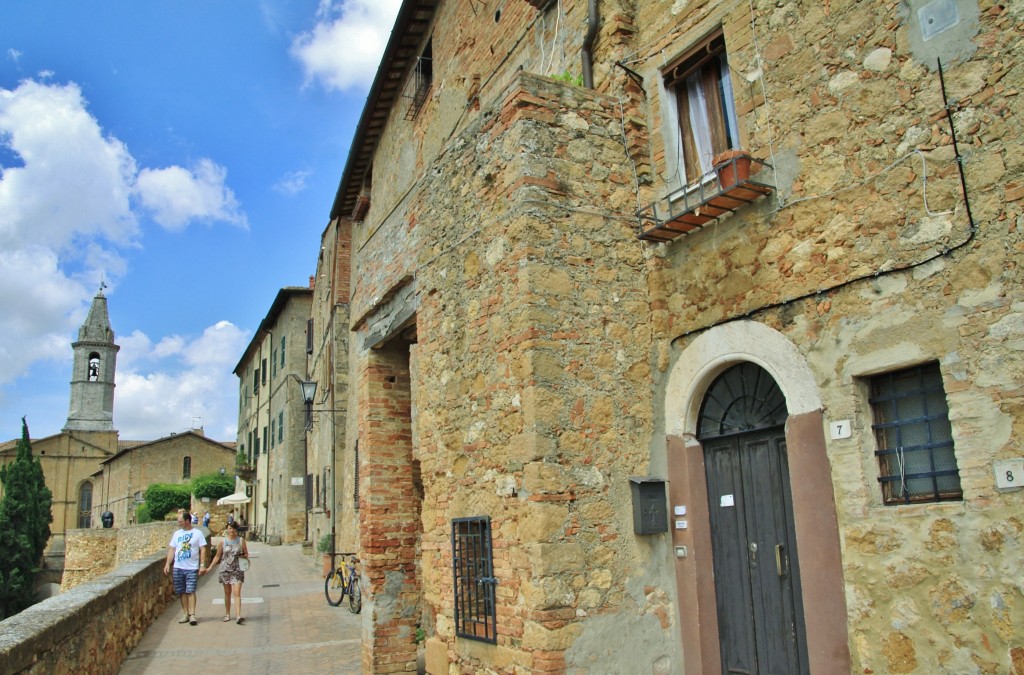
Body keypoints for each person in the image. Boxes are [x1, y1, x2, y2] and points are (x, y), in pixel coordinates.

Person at [164, 510, 209, 625]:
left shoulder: (197, 533)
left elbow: (203, 549)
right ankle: (185, 614)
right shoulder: (177, 534)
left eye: (181, 521)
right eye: (178, 521)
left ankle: (192, 615)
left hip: (192, 568)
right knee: (181, 592)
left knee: (191, 591)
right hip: (178, 567)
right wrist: (167, 564)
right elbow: (172, 549)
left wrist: (202, 565)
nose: (179, 523)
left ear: (188, 521)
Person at [208, 521, 249, 624]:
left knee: (237, 592)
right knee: (227, 593)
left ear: (236, 530)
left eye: (234, 529)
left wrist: (243, 555)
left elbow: (246, 553)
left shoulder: (241, 541)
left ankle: (238, 615)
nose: (232, 531)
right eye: (230, 528)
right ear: (227, 529)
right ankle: (227, 614)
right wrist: (209, 568)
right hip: (225, 570)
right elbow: (217, 556)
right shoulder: (223, 542)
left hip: (237, 569)